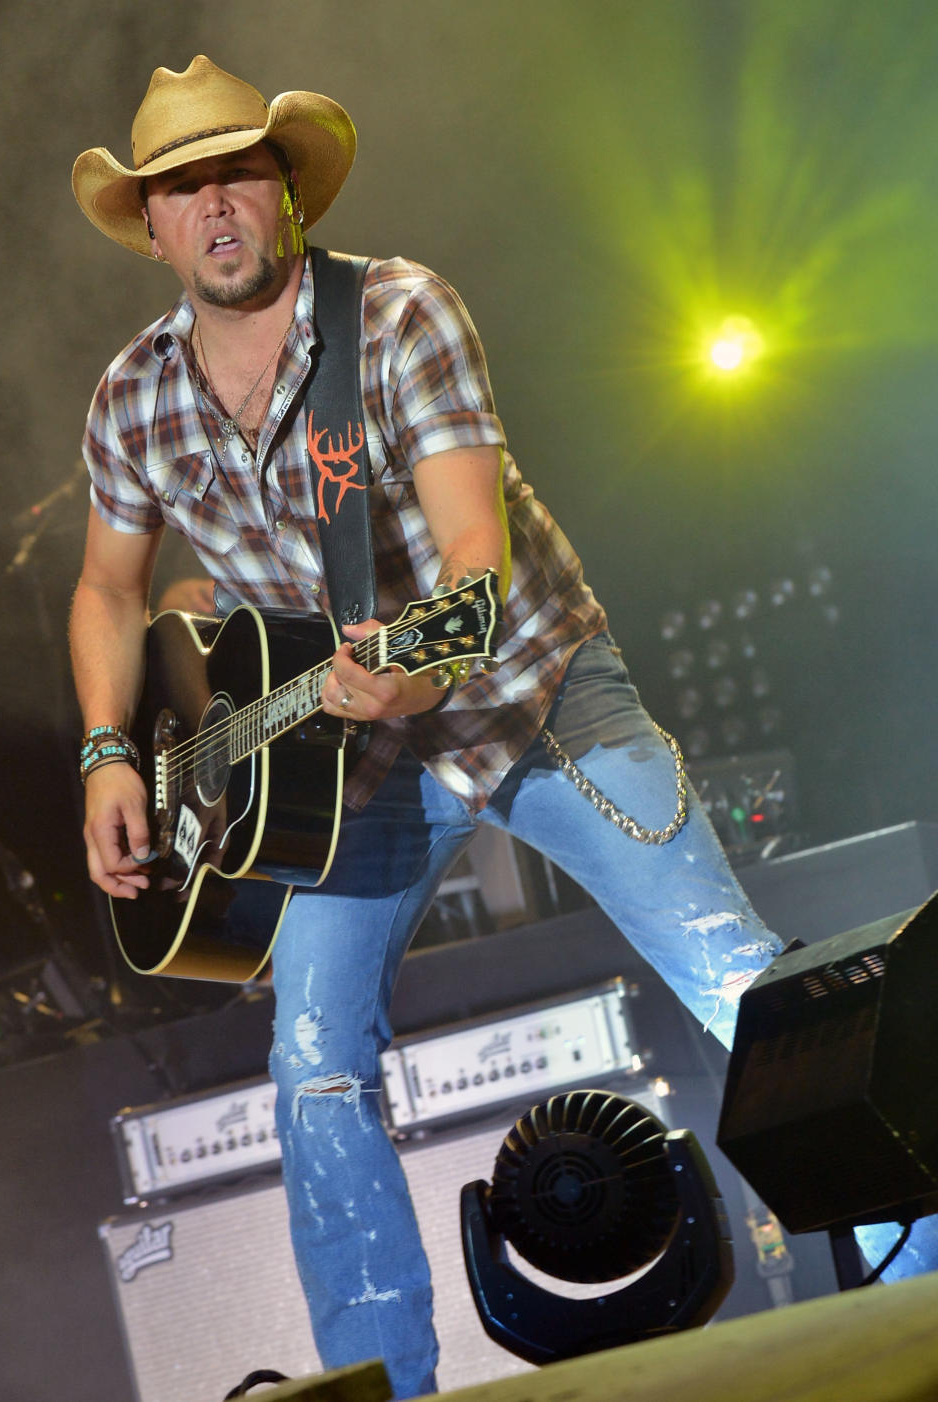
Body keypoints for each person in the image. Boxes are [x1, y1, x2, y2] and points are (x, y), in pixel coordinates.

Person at [69, 55, 791, 1399]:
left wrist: (415, 667)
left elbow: (474, 550)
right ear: (151, 225)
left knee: (736, 971)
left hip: (528, 698)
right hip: (348, 774)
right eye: (183, 188)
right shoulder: (132, 399)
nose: (215, 205)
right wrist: (112, 747)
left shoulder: (397, 315)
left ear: (287, 194)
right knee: (312, 1066)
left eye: (239, 173)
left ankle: (916, 1248)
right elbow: (110, 588)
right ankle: (378, 1381)